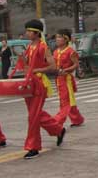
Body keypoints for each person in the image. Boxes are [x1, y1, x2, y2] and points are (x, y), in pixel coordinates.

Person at [21, 19, 65, 159]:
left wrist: (36, 70)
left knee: (33, 116)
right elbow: (27, 65)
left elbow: (53, 66)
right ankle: (58, 129)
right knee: (36, 114)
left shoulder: (43, 47)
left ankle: (33, 147)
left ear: (36, 32)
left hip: (39, 83)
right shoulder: (29, 47)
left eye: (29, 31)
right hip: (29, 83)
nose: (27, 33)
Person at [52, 29, 85, 127]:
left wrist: (65, 70)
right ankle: (77, 119)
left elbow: (76, 65)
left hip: (66, 79)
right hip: (58, 79)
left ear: (66, 39)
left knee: (65, 101)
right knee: (68, 100)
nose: (57, 39)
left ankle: (57, 121)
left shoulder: (71, 52)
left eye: (59, 37)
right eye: (56, 37)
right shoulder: (55, 51)